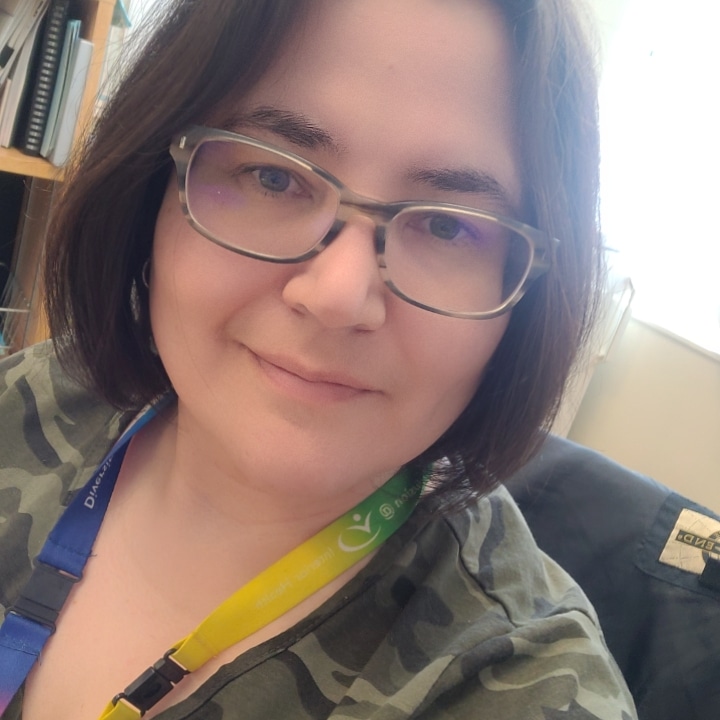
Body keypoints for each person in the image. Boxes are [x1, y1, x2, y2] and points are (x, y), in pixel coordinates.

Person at [0, 0, 636, 718]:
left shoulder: (518, 693)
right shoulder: (43, 392)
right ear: (150, 184)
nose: (338, 294)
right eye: (273, 177)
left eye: (449, 226)